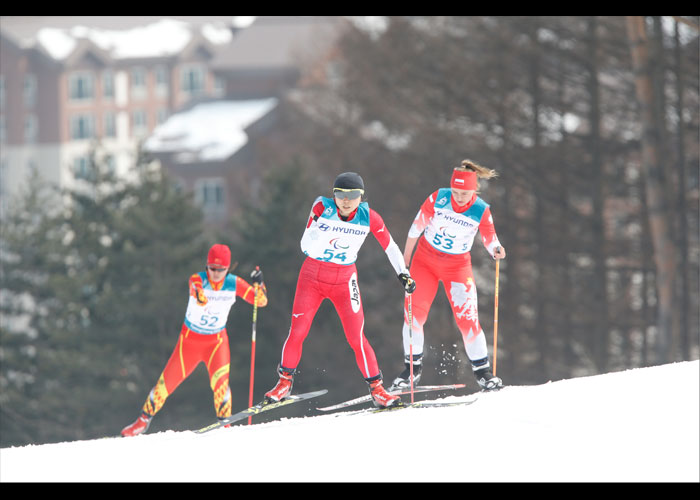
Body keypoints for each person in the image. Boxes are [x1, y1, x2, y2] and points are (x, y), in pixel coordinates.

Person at [264, 172, 416, 408]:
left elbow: (390, 246)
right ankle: (284, 382)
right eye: (341, 195)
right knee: (298, 330)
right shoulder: (322, 208)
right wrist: (318, 227)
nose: (346, 201)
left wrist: (403, 273)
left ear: (361, 197)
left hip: (345, 280)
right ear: (333, 195)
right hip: (312, 276)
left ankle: (378, 390)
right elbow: (305, 246)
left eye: (353, 195)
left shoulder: (369, 218)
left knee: (357, 337)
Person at [120, 244, 267, 437]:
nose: (215, 274)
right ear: (207, 266)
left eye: (220, 270)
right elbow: (195, 287)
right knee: (164, 386)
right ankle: (142, 422)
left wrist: (260, 284)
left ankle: (226, 428)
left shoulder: (234, 283)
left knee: (221, 387)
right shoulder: (198, 279)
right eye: (211, 269)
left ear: (227, 268)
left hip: (216, 344)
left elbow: (261, 301)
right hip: (189, 344)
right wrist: (199, 295)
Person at [390, 160, 506, 392]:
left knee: (468, 320)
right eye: (456, 192)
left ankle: (483, 373)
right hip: (424, 262)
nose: (459, 198)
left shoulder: (481, 209)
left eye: (465, 193)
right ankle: (411, 372)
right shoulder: (438, 199)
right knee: (414, 316)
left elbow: (489, 237)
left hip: (457, 266)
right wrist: (405, 264)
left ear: (474, 191)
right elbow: (415, 230)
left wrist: (497, 249)